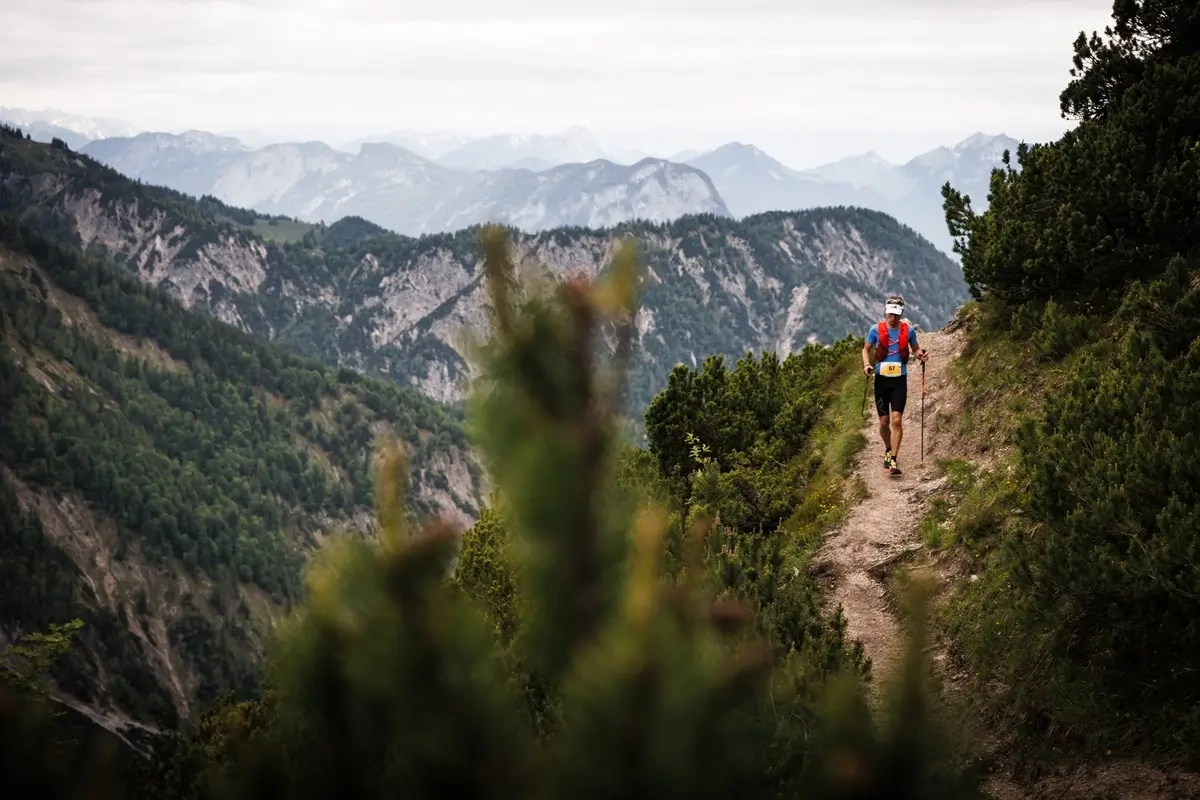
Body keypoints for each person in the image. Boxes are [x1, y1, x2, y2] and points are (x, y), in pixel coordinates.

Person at [861, 294, 928, 476]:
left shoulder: (909, 331)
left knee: (897, 420)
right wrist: (867, 365)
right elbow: (866, 349)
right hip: (882, 379)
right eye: (890, 314)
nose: (893, 318)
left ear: (901, 313)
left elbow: (915, 349)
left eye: (896, 314)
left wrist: (920, 354)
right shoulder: (875, 329)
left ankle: (893, 459)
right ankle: (888, 448)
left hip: (899, 379)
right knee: (884, 422)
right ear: (886, 312)